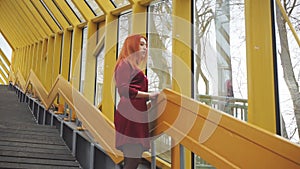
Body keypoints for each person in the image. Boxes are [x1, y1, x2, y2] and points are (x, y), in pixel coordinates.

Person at [114, 34, 159, 169]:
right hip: (130, 116)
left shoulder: (131, 65)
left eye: (145, 45)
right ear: (132, 46)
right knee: (133, 160)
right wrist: (149, 95)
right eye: (141, 44)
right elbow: (123, 90)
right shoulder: (124, 64)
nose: (145, 48)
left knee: (133, 158)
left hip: (135, 114)